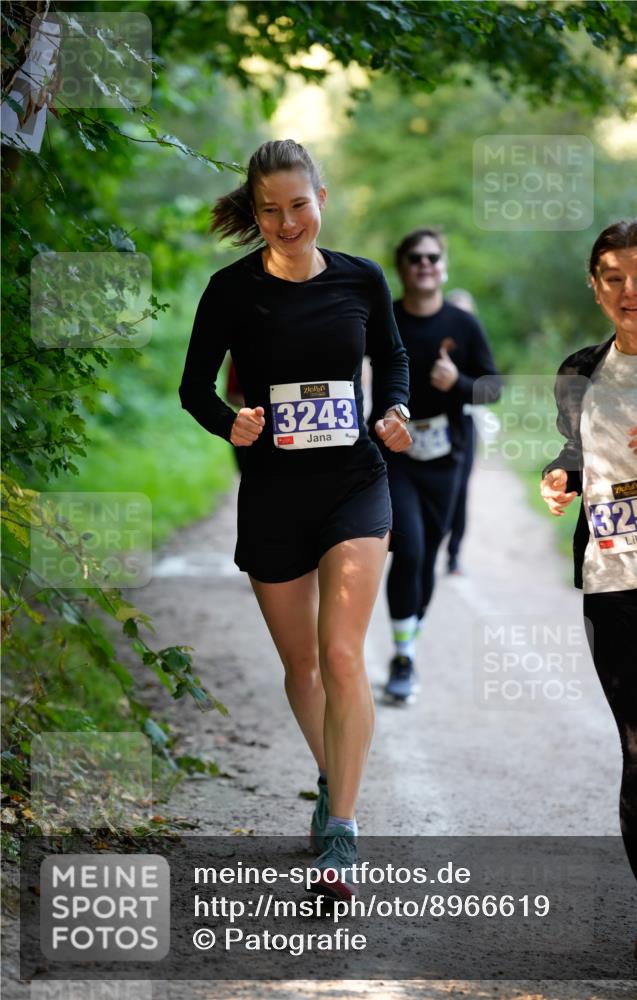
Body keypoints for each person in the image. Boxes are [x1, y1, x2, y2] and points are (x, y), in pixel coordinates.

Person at [178, 139, 411, 900]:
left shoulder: (362, 278)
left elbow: (393, 358)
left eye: (299, 205)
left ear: (322, 199)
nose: (287, 223)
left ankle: (340, 832)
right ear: (255, 213)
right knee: (303, 667)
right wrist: (230, 423)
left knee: (340, 654)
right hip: (274, 494)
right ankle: (333, 774)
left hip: (354, 483)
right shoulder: (230, 290)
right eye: (270, 210)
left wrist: (394, 409)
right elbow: (194, 388)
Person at [540, 218, 637, 971]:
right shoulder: (581, 371)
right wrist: (560, 476)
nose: (630, 289)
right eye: (613, 277)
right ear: (595, 289)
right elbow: (576, 450)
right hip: (618, 581)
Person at [371, 228, 501, 701]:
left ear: (443, 267)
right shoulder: (383, 320)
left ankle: (408, 639)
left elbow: (493, 387)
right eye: (415, 257)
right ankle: (404, 658)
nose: (424, 264)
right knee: (408, 549)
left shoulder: (463, 325)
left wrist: (458, 382)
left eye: (432, 257)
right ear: (402, 268)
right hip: (394, 454)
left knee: (427, 557)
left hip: (446, 458)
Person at [443, 288, 479, 575]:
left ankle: (454, 555)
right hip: (436, 424)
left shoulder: (476, 345)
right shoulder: (436, 343)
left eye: (466, 313)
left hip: (465, 424)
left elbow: (488, 386)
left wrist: (458, 381)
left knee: (460, 489)